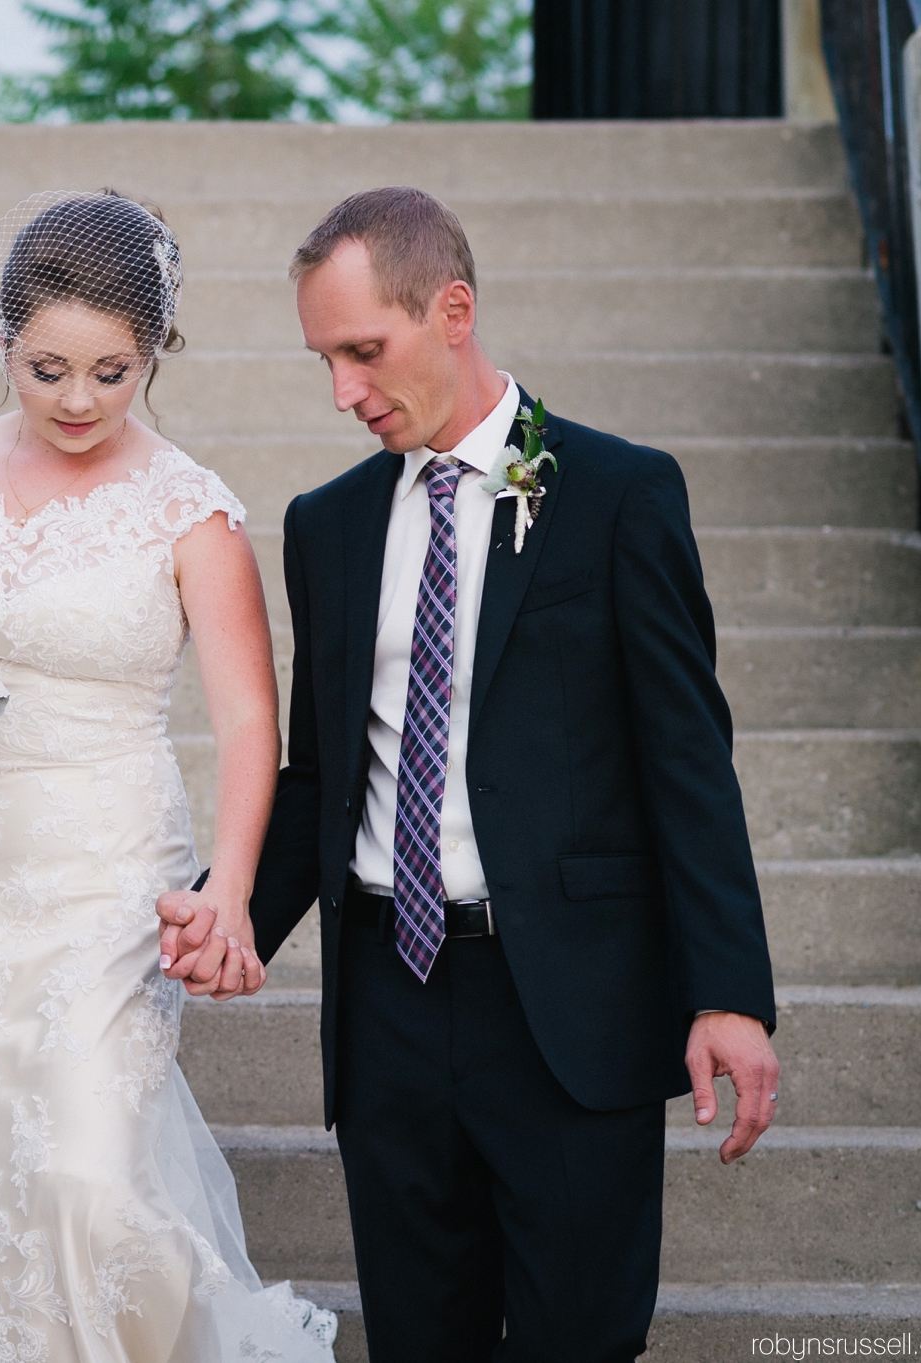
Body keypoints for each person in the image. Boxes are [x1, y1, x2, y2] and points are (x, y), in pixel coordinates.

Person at [159, 186, 782, 1362]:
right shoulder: (327, 526)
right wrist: (229, 908)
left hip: (564, 1004)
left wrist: (727, 992)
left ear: (451, 309)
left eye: (362, 351)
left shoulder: (616, 494)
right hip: (386, 1002)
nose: (343, 391)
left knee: (576, 1340)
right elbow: (321, 778)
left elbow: (687, 764)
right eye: (322, 361)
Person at [0, 190, 337, 1362]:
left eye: (112, 373)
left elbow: (241, 721)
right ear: (3, 342)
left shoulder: (189, 509)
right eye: (46, 368)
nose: (78, 401)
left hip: (106, 874)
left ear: (154, 352)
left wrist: (229, 888)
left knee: (87, 1176)